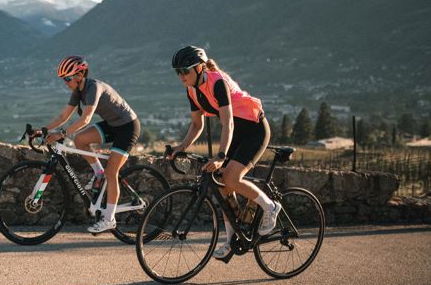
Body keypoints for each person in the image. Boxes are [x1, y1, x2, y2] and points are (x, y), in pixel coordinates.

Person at [168, 46, 281, 260]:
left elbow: (227, 122)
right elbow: (195, 124)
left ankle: (271, 206)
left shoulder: (216, 81)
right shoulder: (191, 89)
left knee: (230, 176)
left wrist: (221, 156)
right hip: (237, 133)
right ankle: (232, 240)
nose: (181, 76)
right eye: (178, 72)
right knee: (220, 184)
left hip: (254, 129)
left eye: (185, 71)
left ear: (200, 68)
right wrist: (180, 147)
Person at [42, 55, 141, 234]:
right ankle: (98, 173)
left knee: (113, 172)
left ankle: (109, 219)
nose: (65, 82)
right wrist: (41, 129)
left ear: (79, 75)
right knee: (80, 140)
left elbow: (86, 118)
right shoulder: (77, 91)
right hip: (112, 124)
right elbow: (63, 116)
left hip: (128, 127)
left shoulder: (93, 87)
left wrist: (62, 134)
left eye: (67, 78)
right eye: (63, 79)